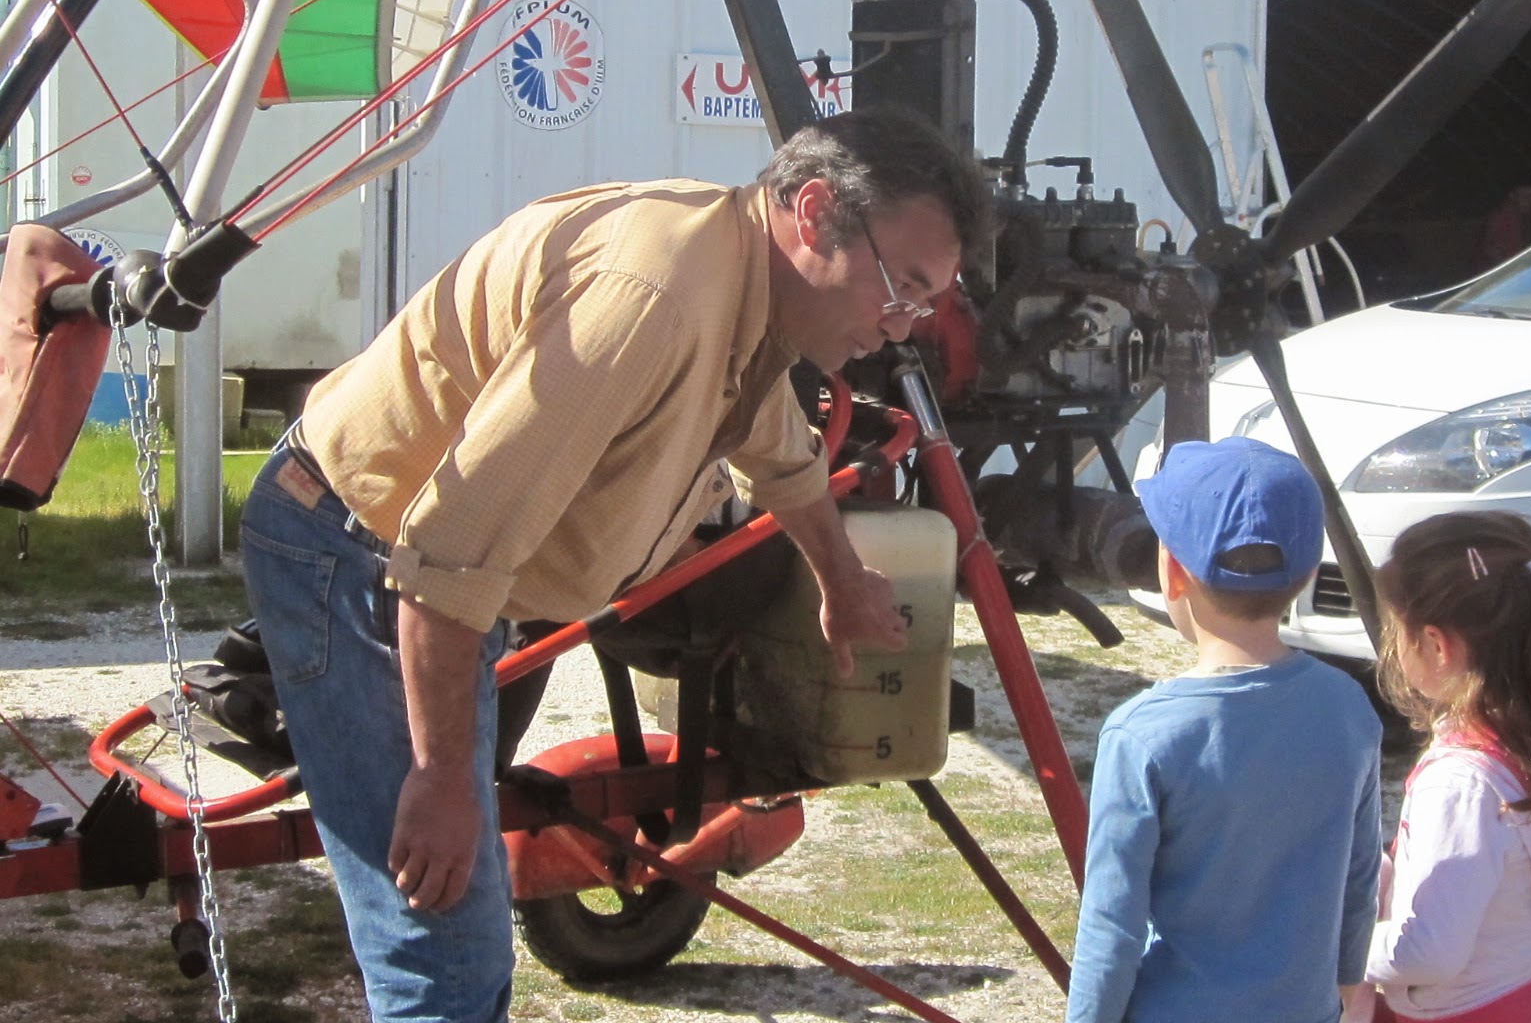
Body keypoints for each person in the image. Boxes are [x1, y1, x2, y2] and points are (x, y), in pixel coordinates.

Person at [238, 109, 987, 1022]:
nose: (900, 328)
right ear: (815, 211)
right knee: (443, 942)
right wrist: (439, 779)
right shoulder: (653, 298)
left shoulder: (740, 280)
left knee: (460, 927)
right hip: (358, 552)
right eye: (902, 288)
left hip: (434, 580)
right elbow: (448, 554)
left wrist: (839, 578)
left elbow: (775, 446)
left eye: (922, 305)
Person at [1067, 436, 1383, 1023]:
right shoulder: (1347, 707)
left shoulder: (1141, 736)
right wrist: (1344, 979)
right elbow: (1359, 874)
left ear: (1171, 572)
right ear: (1306, 574)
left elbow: (1111, 924)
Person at [1361, 511, 1531, 1023]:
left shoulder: (1459, 782)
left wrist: (1335, 943)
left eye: (1397, 628)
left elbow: (1428, 952)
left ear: (1436, 644)